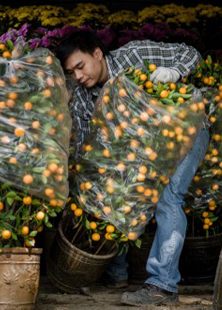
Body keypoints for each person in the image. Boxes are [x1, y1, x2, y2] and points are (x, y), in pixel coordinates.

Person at [56, 30, 209, 306]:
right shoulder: (82, 97)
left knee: (168, 199)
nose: (78, 76)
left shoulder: (135, 55)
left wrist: (173, 71)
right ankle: (117, 273)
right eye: (72, 72)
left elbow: (192, 54)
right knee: (115, 195)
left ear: (97, 54)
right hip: (144, 150)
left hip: (185, 130)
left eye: (81, 66)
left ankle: (163, 286)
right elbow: (85, 146)